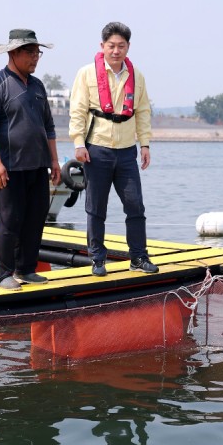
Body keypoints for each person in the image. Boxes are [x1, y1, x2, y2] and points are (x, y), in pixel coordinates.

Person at [69, 21, 158, 277]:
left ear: (128, 47)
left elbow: (142, 112)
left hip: (127, 150)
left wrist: (145, 144)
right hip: (96, 149)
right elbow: (77, 111)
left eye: (121, 46)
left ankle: (138, 257)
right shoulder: (86, 74)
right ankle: (97, 259)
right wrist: (78, 143)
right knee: (96, 208)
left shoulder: (136, 76)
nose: (116, 51)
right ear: (102, 46)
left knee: (135, 205)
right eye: (111, 46)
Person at [0, 28, 61, 291]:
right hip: (9, 167)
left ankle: (26, 268)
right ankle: (2, 273)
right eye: (31, 52)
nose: (36, 58)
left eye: (38, 53)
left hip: (37, 165)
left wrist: (55, 161)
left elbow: (48, 127)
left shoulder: (37, 86)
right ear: (14, 53)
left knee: (35, 218)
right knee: (8, 220)